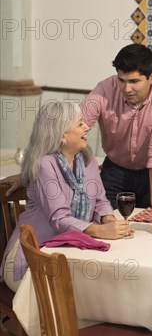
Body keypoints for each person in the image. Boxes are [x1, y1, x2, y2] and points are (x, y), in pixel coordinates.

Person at [0, 100, 133, 293]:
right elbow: (59, 218)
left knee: (98, 290)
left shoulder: (87, 160)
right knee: (76, 293)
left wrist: (109, 219)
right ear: (62, 135)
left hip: (70, 251)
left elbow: (101, 200)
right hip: (35, 254)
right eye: (80, 124)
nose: (87, 127)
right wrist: (99, 231)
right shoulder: (45, 165)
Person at [80, 43, 152, 209]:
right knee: (107, 222)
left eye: (134, 81)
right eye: (121, 80)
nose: (127, 89)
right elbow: (76, 128)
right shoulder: (104, 89)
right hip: (115, 170)